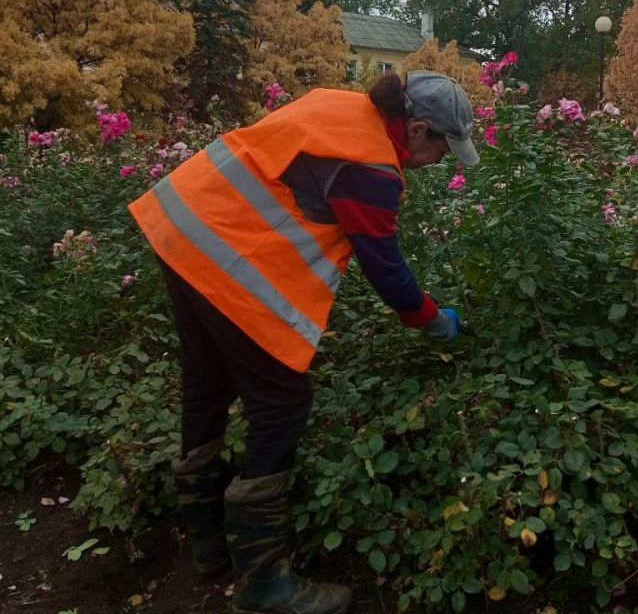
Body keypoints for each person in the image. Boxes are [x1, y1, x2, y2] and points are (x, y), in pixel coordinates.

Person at [128, 70, 478, 614]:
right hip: (222, 249)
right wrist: (434, 320)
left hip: (182, 221)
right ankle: (266, 586)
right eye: (443, 148)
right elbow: (385, 270)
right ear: (417, 128)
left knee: (208, 382)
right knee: (281, 403)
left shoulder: (342, 107)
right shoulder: (369, 167)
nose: (441, 162)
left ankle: (210, 544)